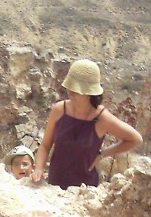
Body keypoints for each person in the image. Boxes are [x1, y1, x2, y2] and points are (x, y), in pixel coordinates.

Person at [31, 59, 143, 188]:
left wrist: (102, 154)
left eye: (77, 89)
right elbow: (45, 145)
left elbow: (135, 139)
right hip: (54, 187)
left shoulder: (102, 117)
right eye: (70, 87)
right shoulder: (59, 110)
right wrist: (39, 169)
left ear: (90, 92)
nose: (71, 91)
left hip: (84, 191)